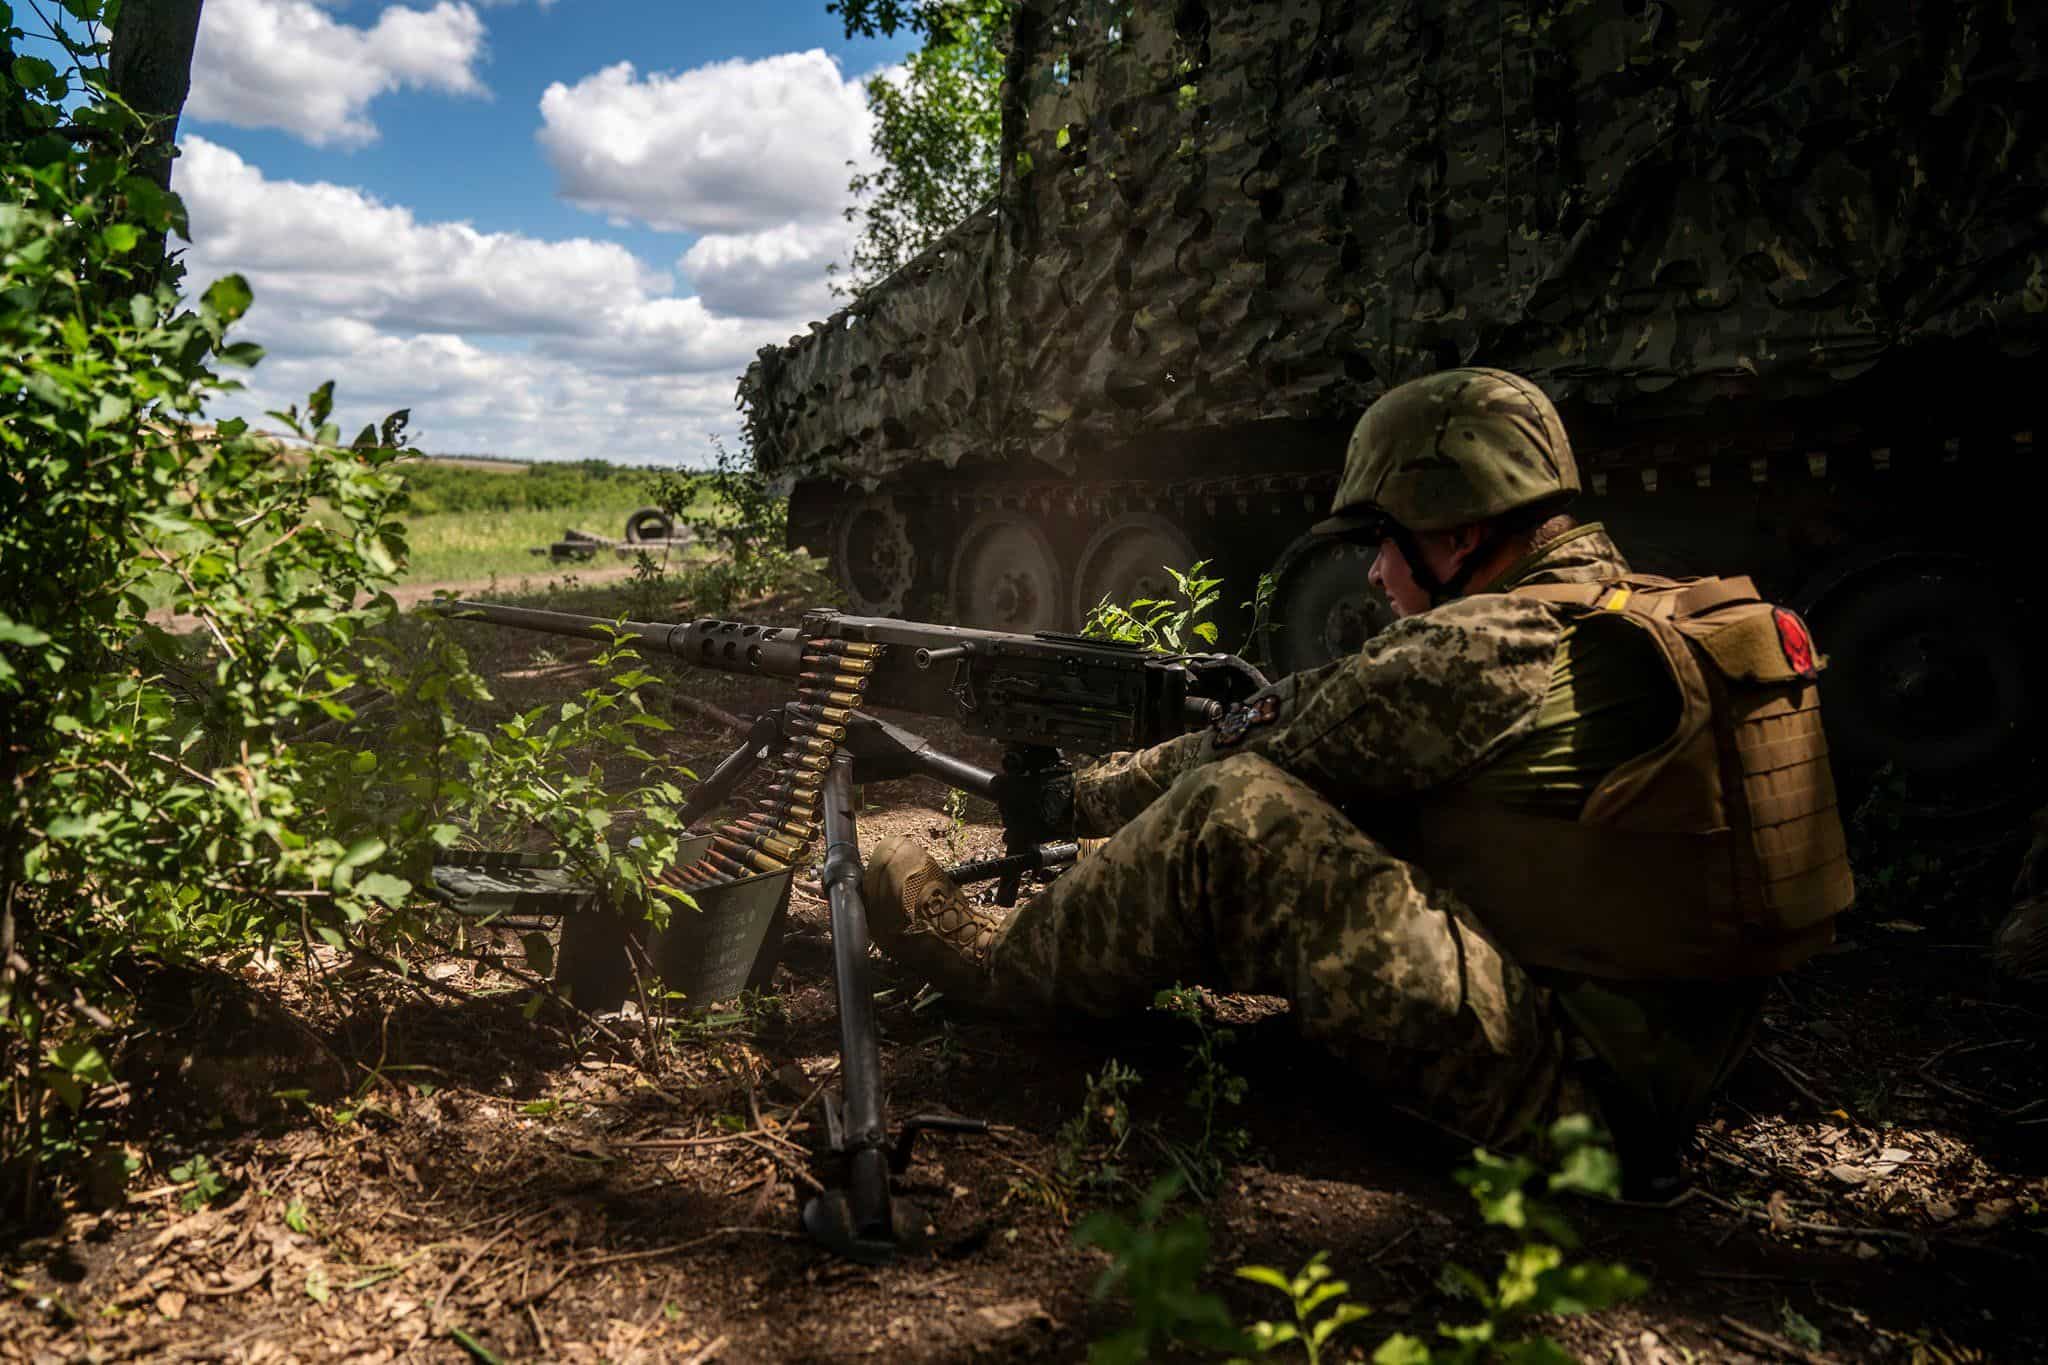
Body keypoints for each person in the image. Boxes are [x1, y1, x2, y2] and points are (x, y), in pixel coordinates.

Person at [862, 367, 1856, 1188]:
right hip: (1670, 1059)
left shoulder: (1485, 644)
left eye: (1385, 541)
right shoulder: (1649, 603)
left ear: (1460, 534)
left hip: (1578, 1109)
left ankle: (1001, 970)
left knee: (1231, 813)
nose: (1376, 576)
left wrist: (1072, 800)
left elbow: (1249, 750)